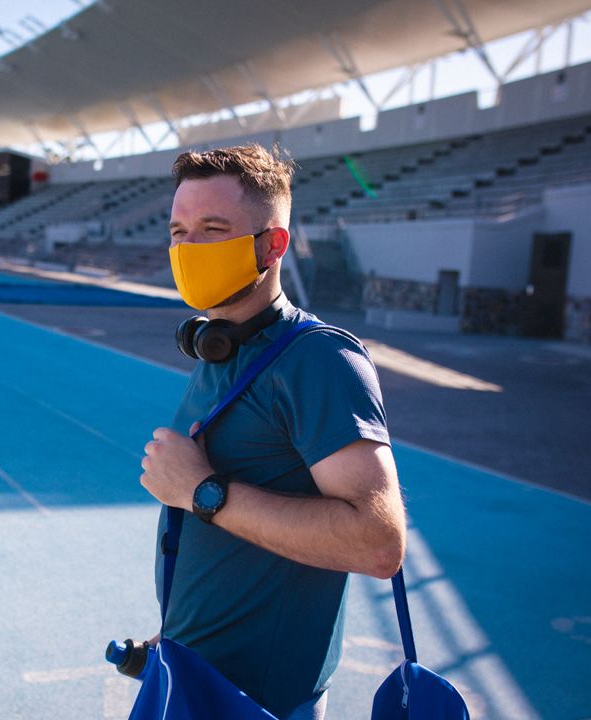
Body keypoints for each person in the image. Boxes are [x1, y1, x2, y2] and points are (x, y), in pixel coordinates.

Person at [138, 144, 407, 720]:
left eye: (213, 229)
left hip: (259, 702)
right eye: (179, 230)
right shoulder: (220, 351)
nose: (188, 249)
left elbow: (379, 544)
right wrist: (179, 635)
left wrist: (200, 491)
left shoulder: (320, 362)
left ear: (273, 244)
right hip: (192, 673)